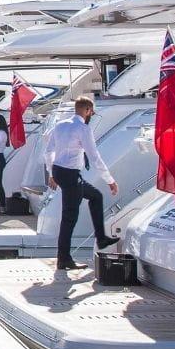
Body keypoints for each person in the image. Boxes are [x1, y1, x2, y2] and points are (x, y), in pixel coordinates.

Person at [44, 96, 119, 271]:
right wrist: (110, 180)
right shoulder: (83, 129)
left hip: (59, 171)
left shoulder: (60, 125)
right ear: (86, 110)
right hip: (70, 174)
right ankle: (63, 259)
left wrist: (51, 174)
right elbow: (94, 157)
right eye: (90, 112)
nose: (90, 115)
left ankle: (101, 238)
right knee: (69, 217)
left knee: (95, 196)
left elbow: (48, 152)